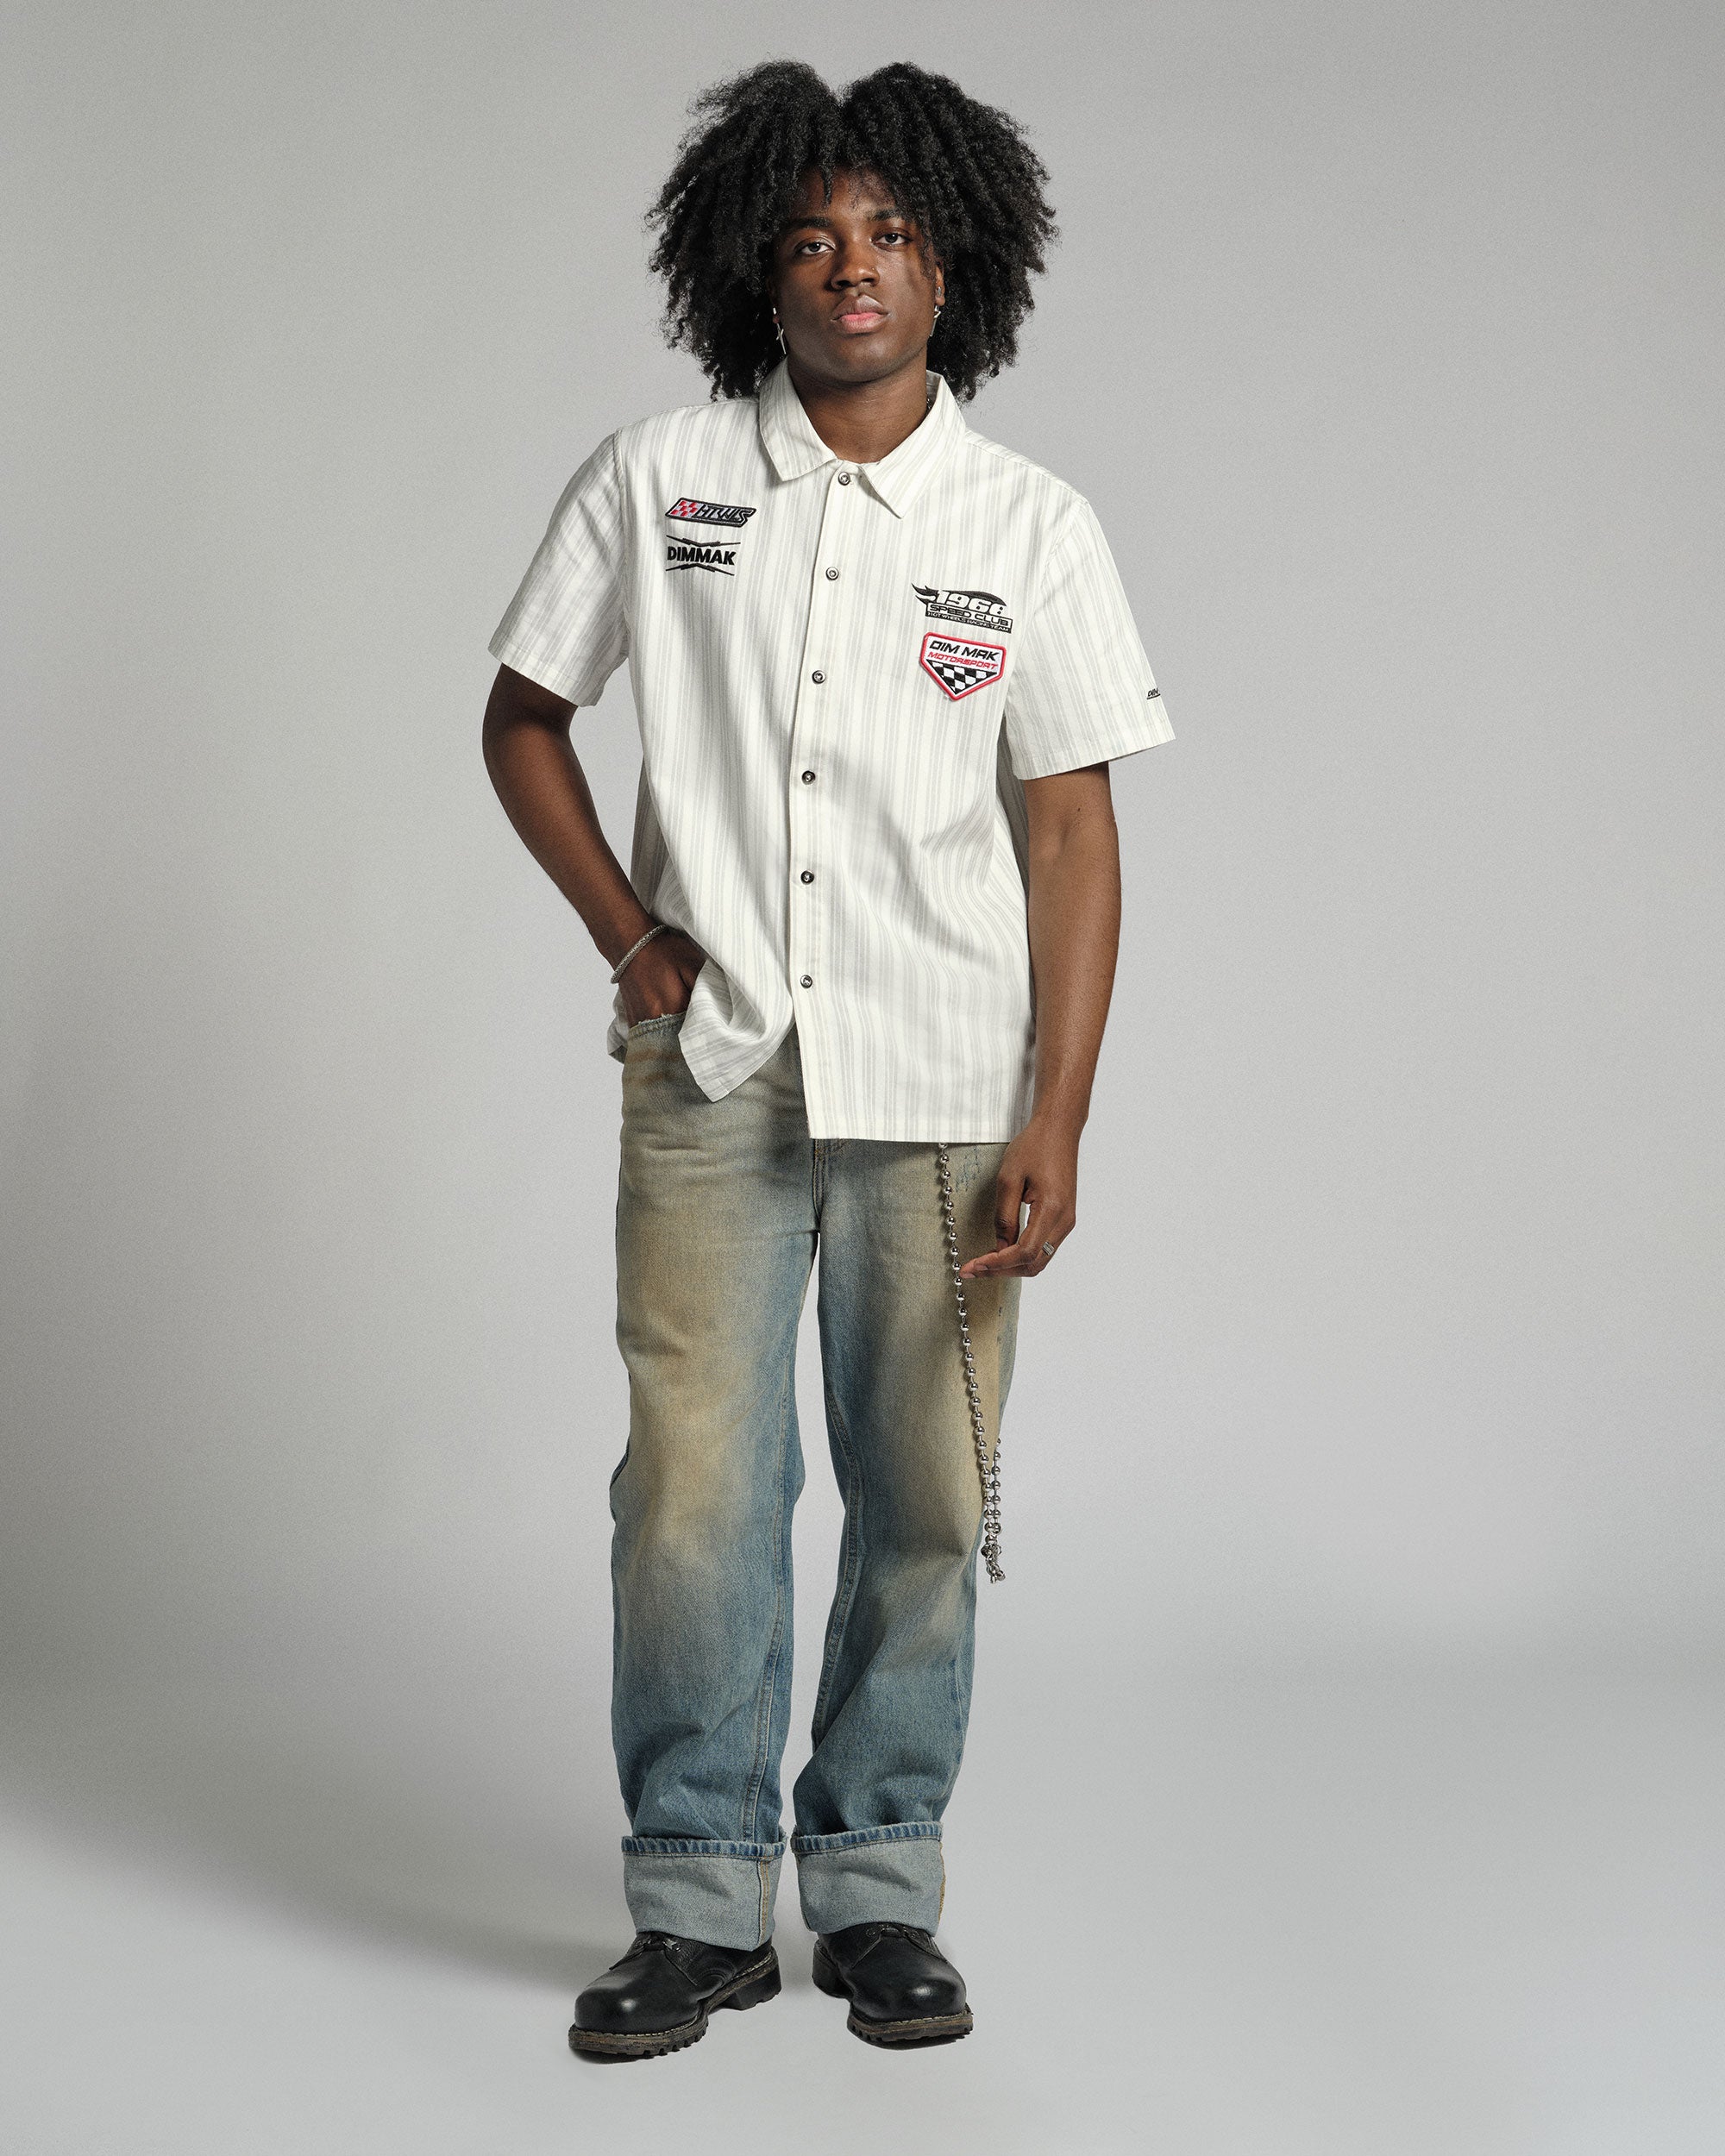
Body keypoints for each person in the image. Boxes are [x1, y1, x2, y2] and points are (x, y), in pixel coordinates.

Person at [481, 59, 1172, 2059]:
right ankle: (698, 1900)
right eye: (809, 239)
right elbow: (522, 715)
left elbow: (1071, 831)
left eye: (887, 235)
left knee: (929, 1492)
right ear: (751, 269)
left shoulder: (1029, 525)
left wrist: (1058, 1112)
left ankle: (877, 1883)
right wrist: (632, 934)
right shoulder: (660, 476)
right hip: (710, 1075)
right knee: (694, 1488)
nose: (850, 269)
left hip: (946, 1091)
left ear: (955, 265)